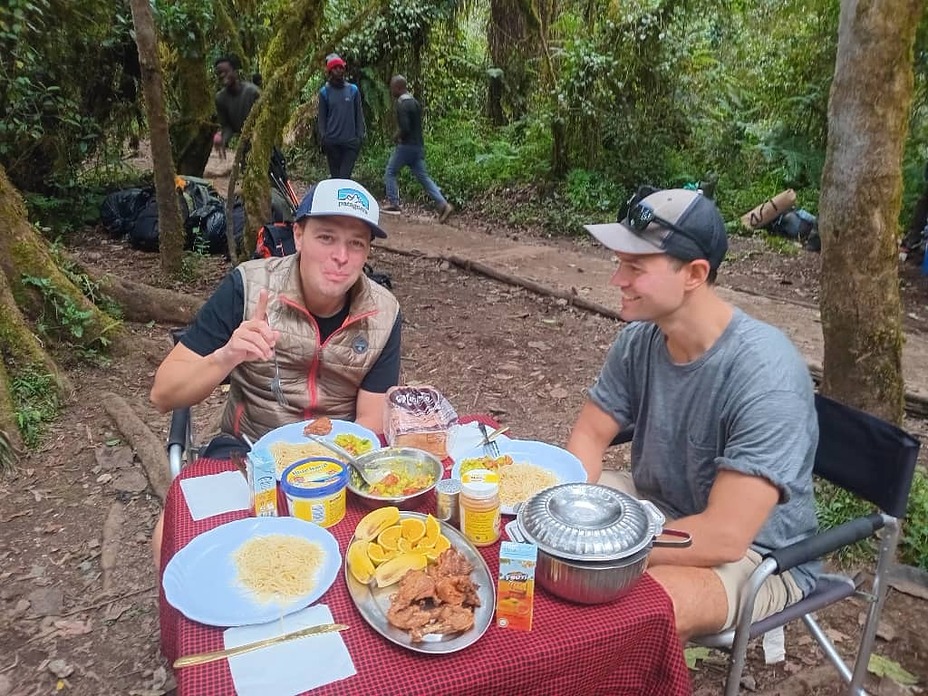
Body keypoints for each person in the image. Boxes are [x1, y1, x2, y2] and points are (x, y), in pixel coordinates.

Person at [565, 187, 819, 640]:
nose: (616, 280)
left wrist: (597, 549)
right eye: (619, 262)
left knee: (626, 609)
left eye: (635, 267)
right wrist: (565, 517)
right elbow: (588, 436)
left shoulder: (764, 373)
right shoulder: (641, 340)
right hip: (657, 508)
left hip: (758, 556)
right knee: (530, 509)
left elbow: (725, 535)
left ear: (695, 273)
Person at [149, 178, 402, 567]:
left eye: (356, 243)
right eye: (326, 238)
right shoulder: (249, 287)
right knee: (172, 536)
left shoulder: (383, 312)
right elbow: (162, 393)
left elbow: (369, 420)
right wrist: (227, 356)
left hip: (335, 465)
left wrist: (329, 474)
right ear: (298, 235)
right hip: (246, 452)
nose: (341, 256)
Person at [381, 75, 453, 223]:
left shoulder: (402, 104)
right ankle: (443, 204)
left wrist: (396, 136)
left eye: (393, 88)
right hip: (418, 146)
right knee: (423, 178)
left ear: (398, 88)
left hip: (406, 147)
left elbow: (405, 128)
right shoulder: (414, 102)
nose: (391, 91)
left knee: (390, 171)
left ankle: (394, 203)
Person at [317, 54, 365, 178]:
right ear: (330, 71)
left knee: (344, 177)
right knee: (336, 178)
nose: (339, 70)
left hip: (350, 143)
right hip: (332, 143)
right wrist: (324, 138)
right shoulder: (324, 92)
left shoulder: (353, 90)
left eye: (341, 67)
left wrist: (359, 138)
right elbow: (322, 118)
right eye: (335, 68)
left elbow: (358, 114)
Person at [214, 55, 261, 159]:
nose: (222, 75)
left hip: (261, 143)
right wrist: (223, 139)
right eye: (219, 73)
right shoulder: (220, 99)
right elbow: (227, 126)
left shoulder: (253, 92)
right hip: (244, 147)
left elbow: (266, 120)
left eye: (226, 72)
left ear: (235, 71)